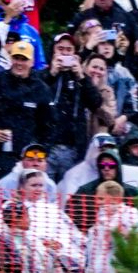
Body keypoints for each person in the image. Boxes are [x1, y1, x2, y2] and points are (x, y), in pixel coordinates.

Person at [0, 42, 52, 184]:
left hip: (24, 158)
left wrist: (38, 154)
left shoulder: (40, 89)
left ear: (32, 62)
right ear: (10, 58)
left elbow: (49, 125)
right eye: (16, 58)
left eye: (24, 59)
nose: (19, 63)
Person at [42, 34, 105, 179]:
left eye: (69, 50)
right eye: (60, 49)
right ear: (53, 51)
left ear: (75, 54)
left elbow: (96, 103)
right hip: (47, 146)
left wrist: (81, 77)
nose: (65, 53)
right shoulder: (43, 75)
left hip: (73, 147)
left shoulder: (80, 77)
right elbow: (36, 97)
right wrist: (51, 74)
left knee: (69, 189)